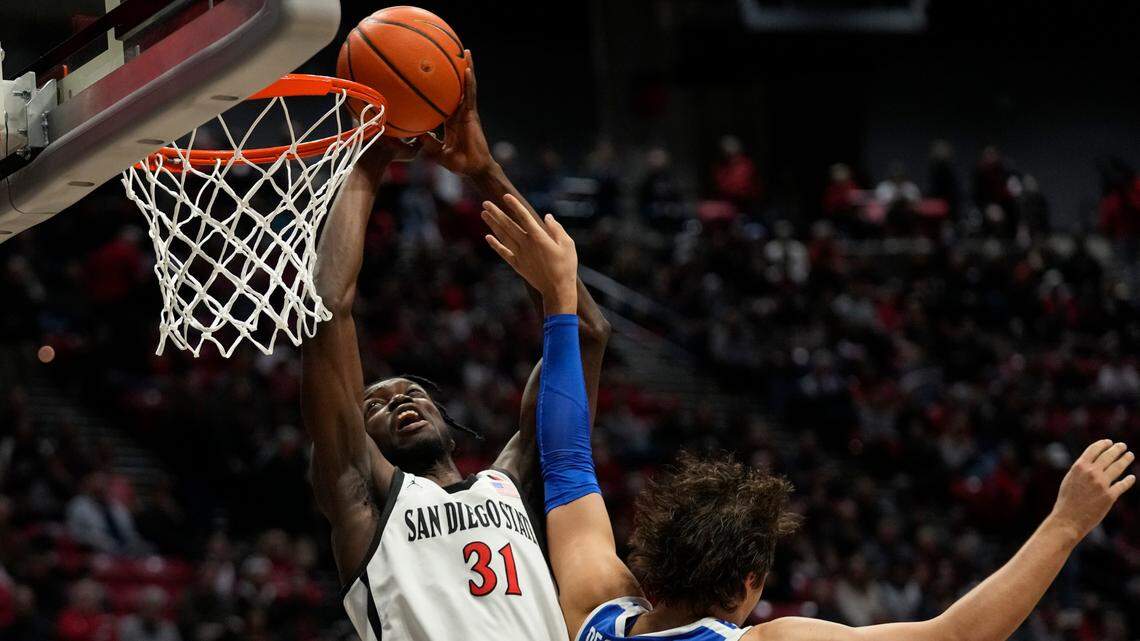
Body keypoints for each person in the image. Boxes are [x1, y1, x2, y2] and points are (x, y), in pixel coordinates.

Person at [481, 203, 1138, 641]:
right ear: (749, 585)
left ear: (649, 556)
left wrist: (561, 299)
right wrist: (1067, 522)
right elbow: (957, 634)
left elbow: (564, 454)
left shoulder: (596, 606)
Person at [301, 51, 611, 641]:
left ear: (447, 416)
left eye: (411, 391)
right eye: (376, 405)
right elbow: (327, 311)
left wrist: (482, 169)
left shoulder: (511, 482)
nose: (397, 400)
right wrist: (374, 158)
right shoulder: (364, 498)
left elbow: (586, 332)